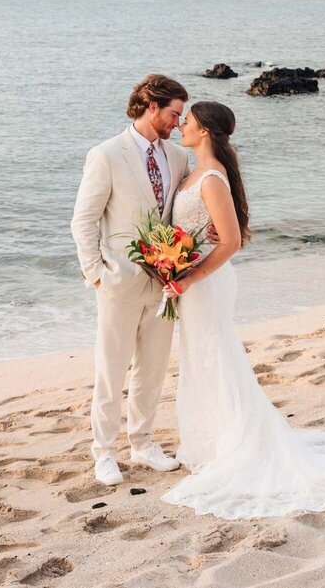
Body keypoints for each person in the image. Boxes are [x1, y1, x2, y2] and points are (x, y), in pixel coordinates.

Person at [160, 101, 325, 519]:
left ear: (206, 132)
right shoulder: (192, 173)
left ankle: (233, 443)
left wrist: (190, 276)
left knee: (216, 356)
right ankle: (211, 442)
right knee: (199, 358)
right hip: (192, 280)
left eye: (188, 123)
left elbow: (230, 242)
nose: (182, 127)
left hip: (206, 283)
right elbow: (197, 230)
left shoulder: (211, 179)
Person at [70, 74, 191, 486]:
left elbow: (175, 216)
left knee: (153, 369)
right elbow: (84, 220)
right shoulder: (106, 155)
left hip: (163, 283)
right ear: (151, 106)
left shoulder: (177, 158)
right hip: (118, 283)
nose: (178, 122)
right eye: (174, 114)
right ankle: (103, 452)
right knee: (112, 369)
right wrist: (97, 275)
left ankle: (142, 443)